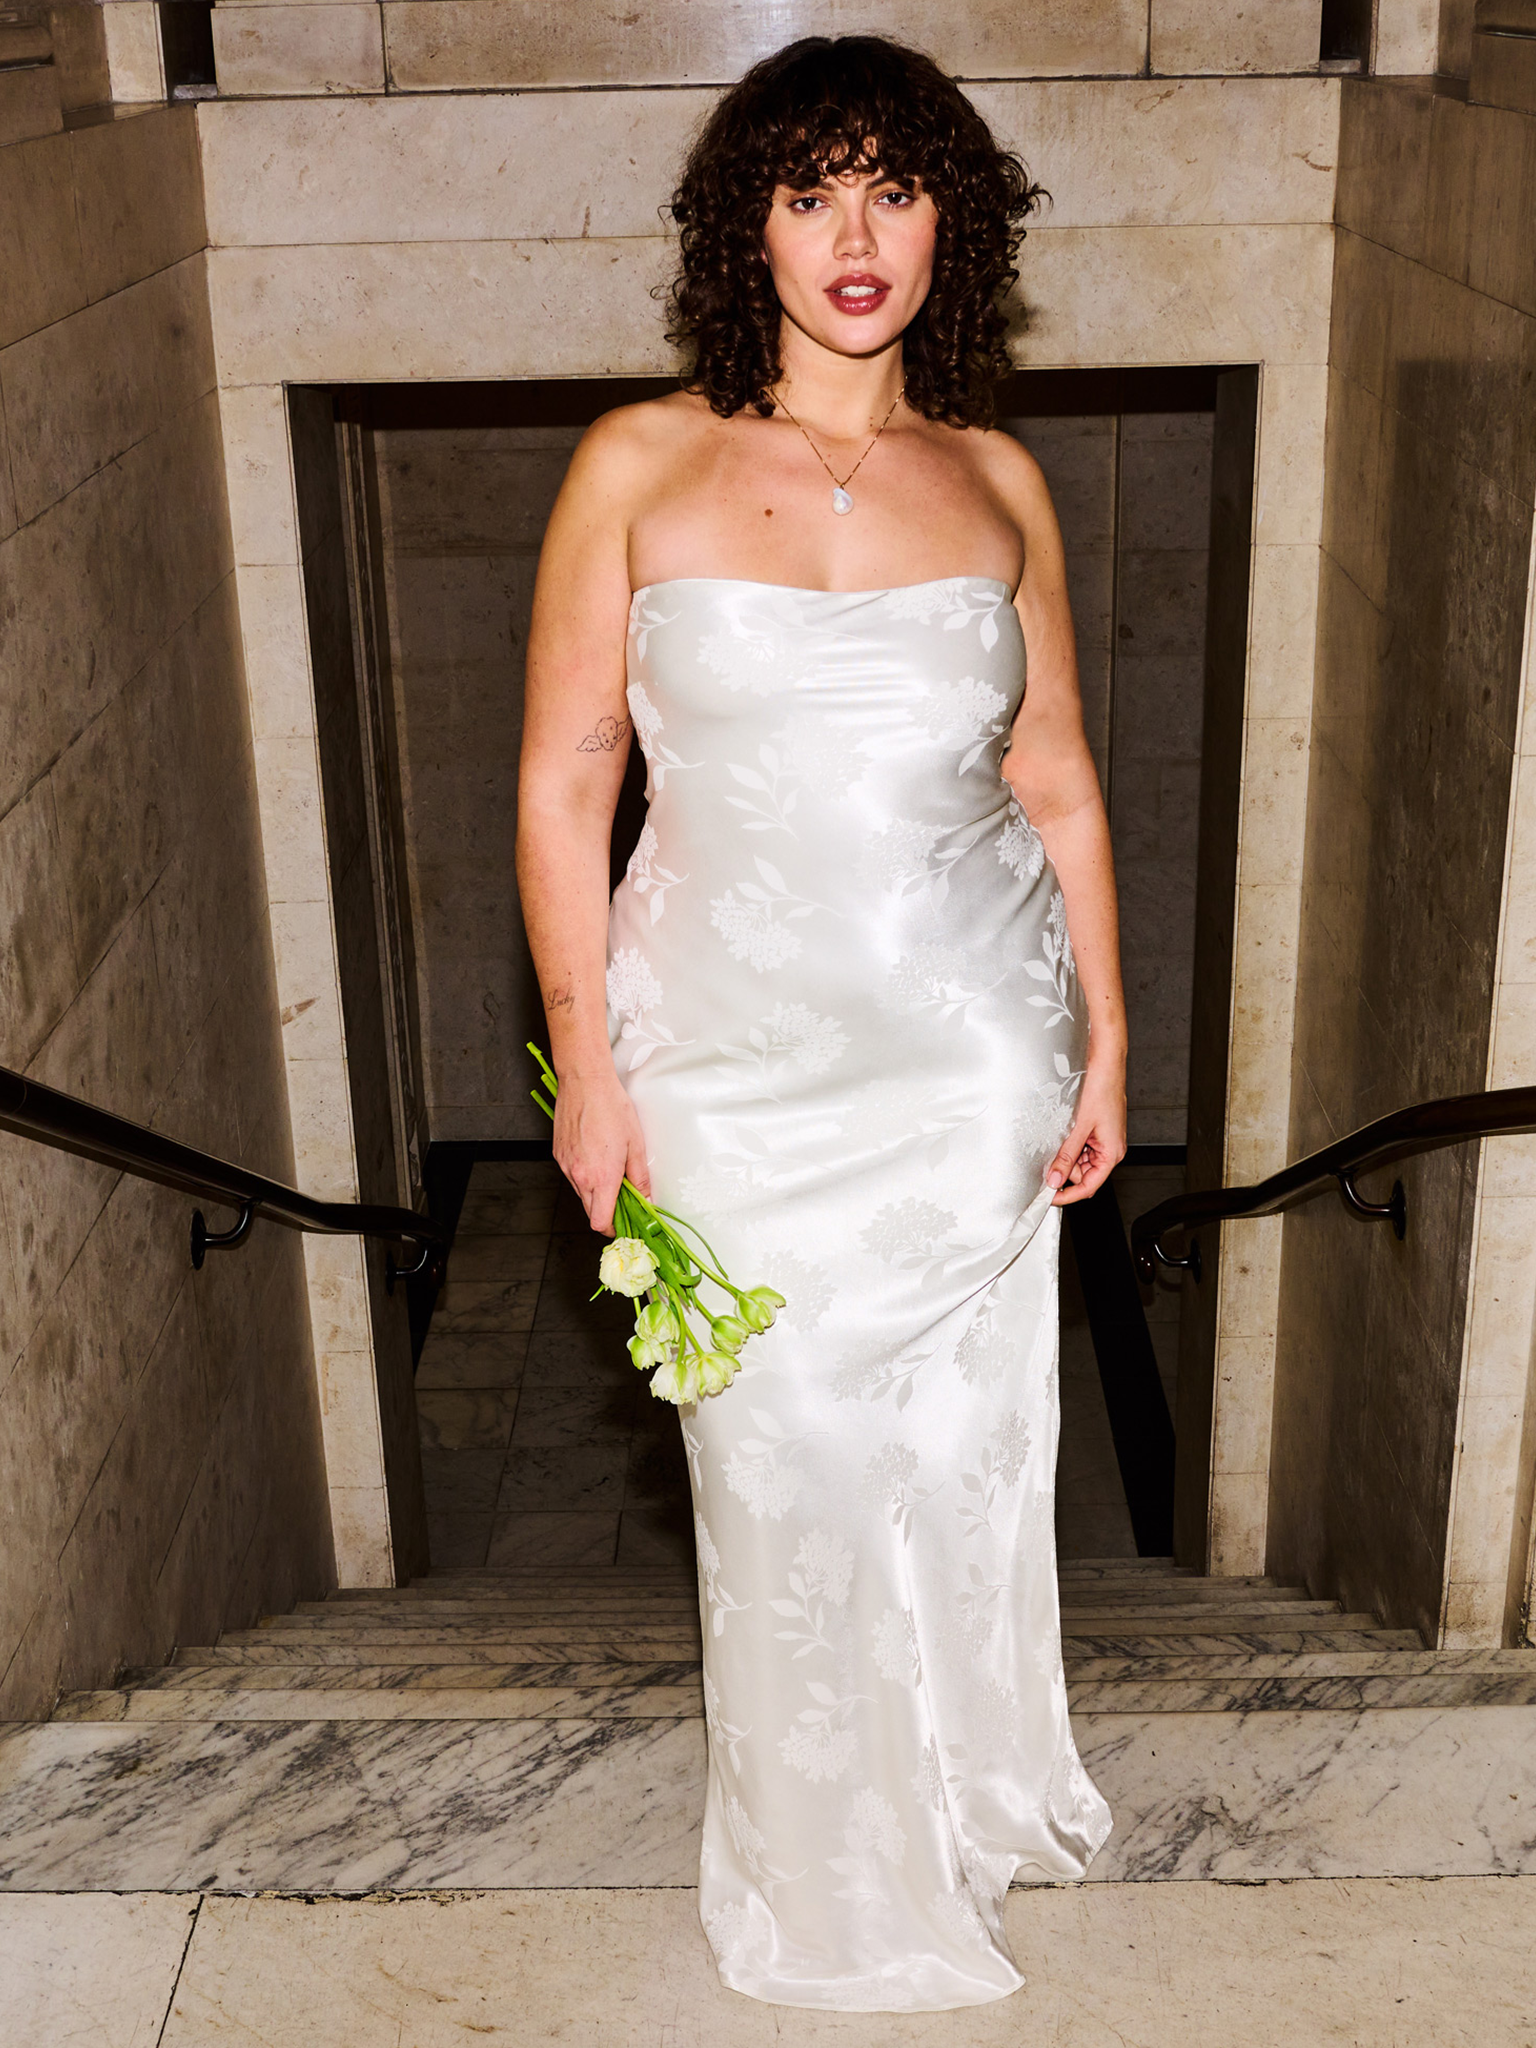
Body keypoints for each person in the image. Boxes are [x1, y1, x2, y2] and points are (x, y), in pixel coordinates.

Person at [516, 33, 1126, 2012]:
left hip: (967, 1055)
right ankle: (822, 1877)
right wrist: (585, 1068)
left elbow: (1058, 784)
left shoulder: (1000, 480)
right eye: (809, 192)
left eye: (895, 187)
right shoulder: (638, 462)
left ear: (954, 222)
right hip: (723, 1061)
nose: (855, 235)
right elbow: (565, 781)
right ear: (748, 231)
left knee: (953, 1447)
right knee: (778, 1460)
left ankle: (956, 1793)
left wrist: (1107, 1046)